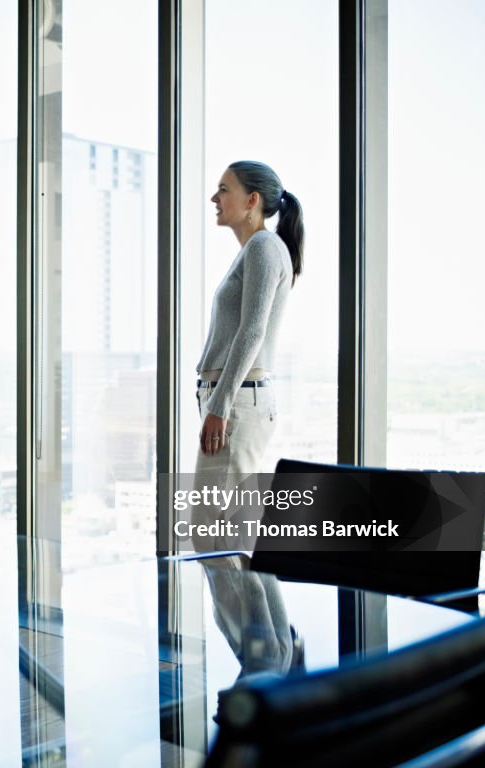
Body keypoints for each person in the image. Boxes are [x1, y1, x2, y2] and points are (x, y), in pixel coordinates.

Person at [191, 160, 305, 675]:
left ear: (253, 199)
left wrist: (218, 407)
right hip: (236, 401)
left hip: (237, 403)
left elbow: (251, 332)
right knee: (229, 532)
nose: (215, 199)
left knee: (218, 534)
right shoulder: (259, 250)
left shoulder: (263, 247)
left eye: (224, 190)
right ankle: (271, 659)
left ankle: (264, 664)